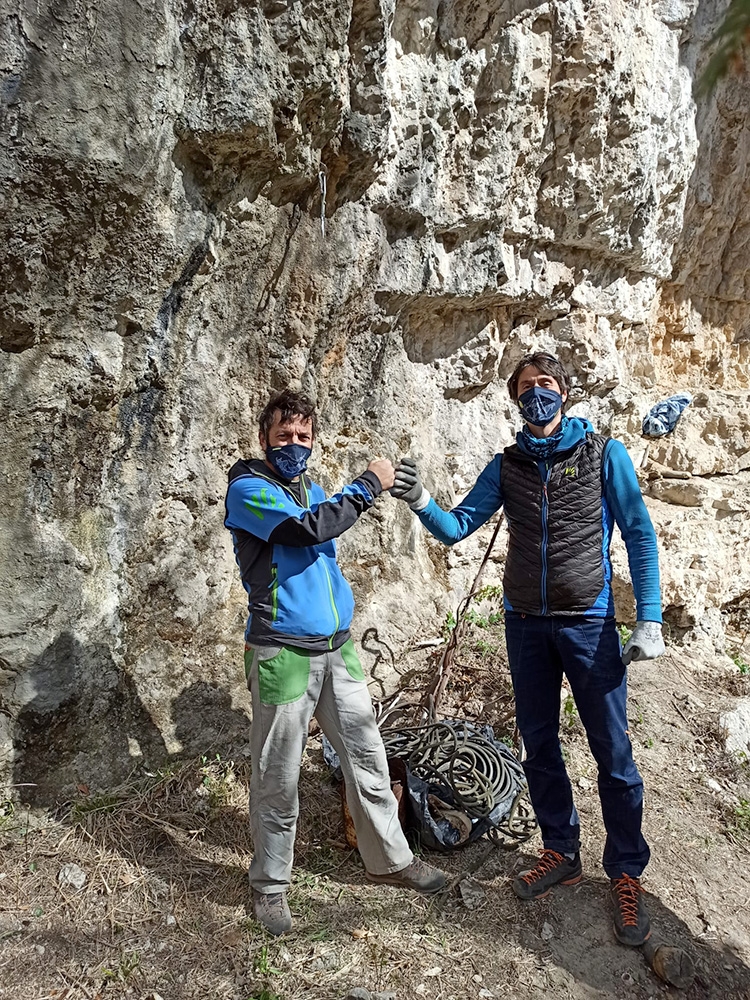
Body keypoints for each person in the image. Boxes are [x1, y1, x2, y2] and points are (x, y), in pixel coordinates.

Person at [391, 352, 664, 947]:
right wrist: (420, 501)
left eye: (545, 384)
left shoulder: (602, 453)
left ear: (564, 392)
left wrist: (648, 617)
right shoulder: (507, 464)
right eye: (525, 388)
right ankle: (560, 849)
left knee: (613, 751)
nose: (536, 394)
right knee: (539, 746)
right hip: (525, 626)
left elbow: (640, 531)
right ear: (514, 400)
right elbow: (459, 524)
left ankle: (626, 872)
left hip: (589, 625)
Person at [224, 388, 446, 935]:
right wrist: (371, 482)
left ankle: (391, 862)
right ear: (264, 439)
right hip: (283, 655)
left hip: (338, 650)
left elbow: (323, 536)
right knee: (277, 777)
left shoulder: (315, 490)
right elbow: (308, 529)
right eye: (284, 436)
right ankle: (271, 886)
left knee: (368, 759)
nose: (294, 445)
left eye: (303, 436)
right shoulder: (248, 489)